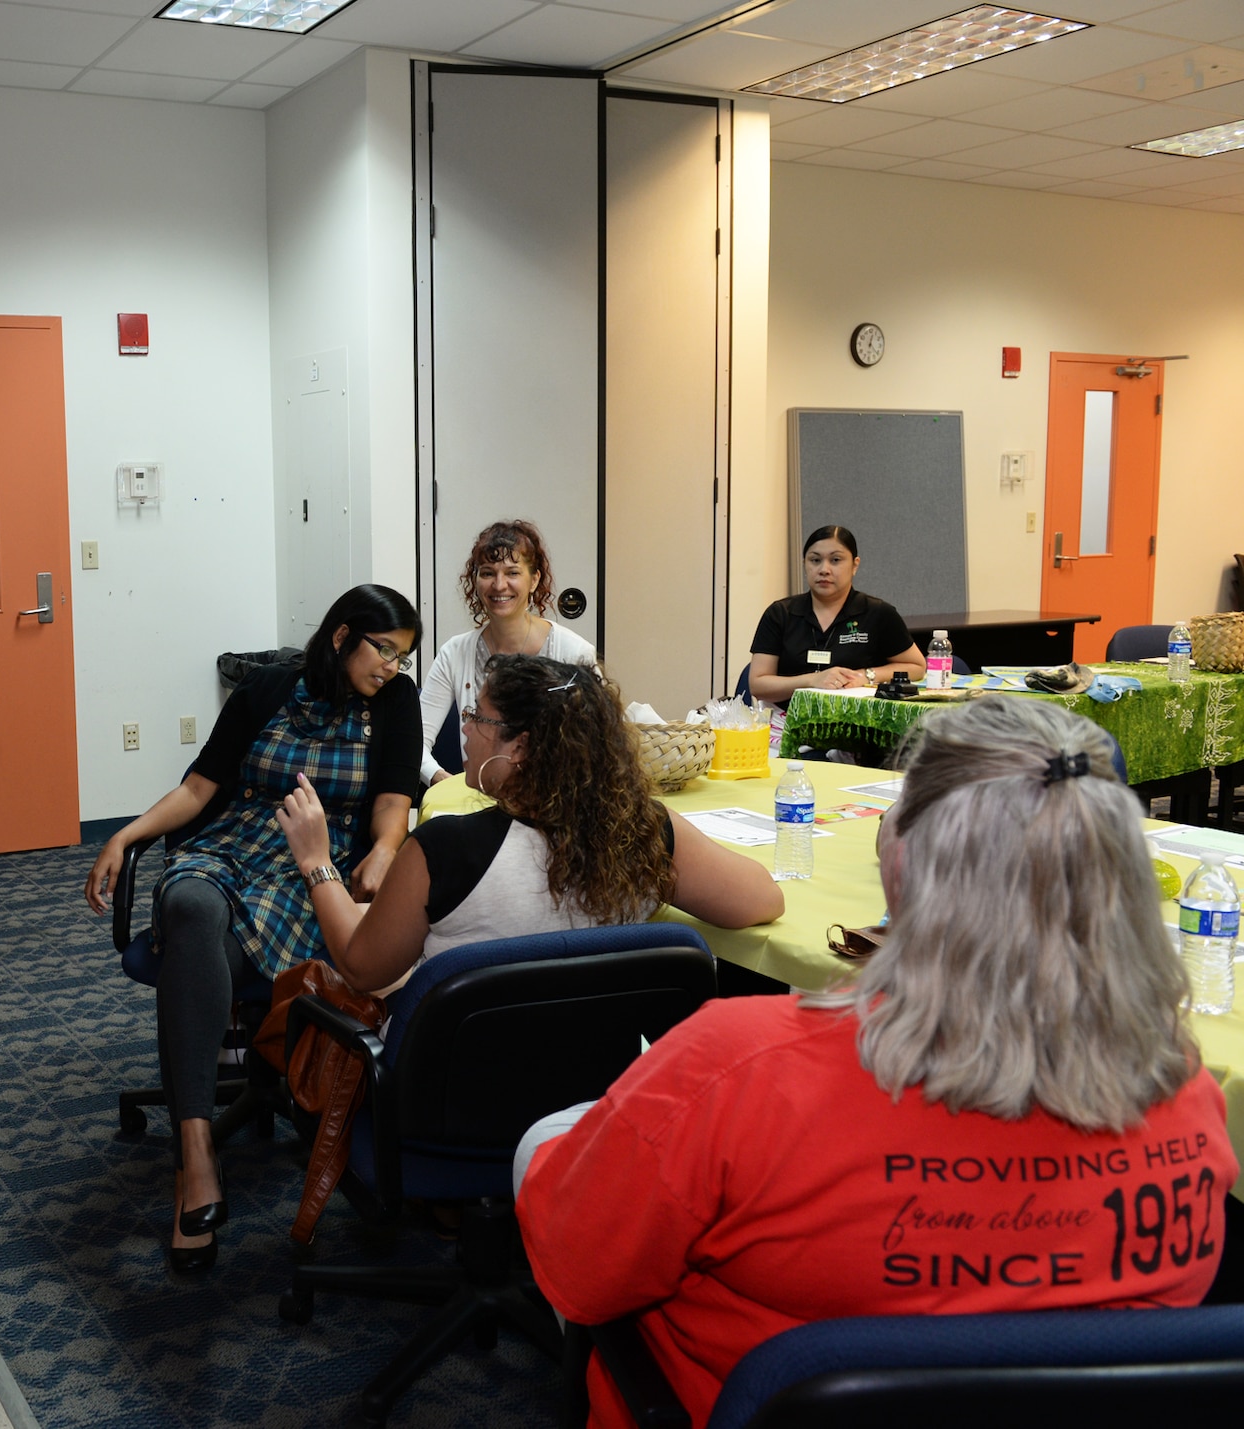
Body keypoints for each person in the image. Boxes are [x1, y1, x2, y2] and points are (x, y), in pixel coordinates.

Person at [515, 698, 1237, 1429]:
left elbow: (576, 1272)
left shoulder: (733, 1067)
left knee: (550, 1139)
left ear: (901, 860)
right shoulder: (1183, 1084)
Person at [83, 584, 423, 1272]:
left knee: (189, 954)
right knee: (188, 907)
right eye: (381, 649)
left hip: (313, 869)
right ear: (340, 637)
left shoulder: (393, 704)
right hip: (233, 849)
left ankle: (194, 1155)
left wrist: (385, 850)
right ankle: (199, 1151)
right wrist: (126, 835)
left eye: (402, 656)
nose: (391, 666)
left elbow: (393, 801)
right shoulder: (268, 689)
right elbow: (200, 788)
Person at [278, 655, 782, 999]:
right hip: (591, 1098)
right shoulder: (644, 833)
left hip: (453, 1106)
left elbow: (363, 968)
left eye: (478, 717)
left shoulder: (443, 848)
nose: (466, 730)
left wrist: (317, 862)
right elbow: (763, 900)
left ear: (517, 747)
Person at [421, 519, 595, 784]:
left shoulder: (574, 652)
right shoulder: (454, 654)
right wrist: (445, 783)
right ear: (476, 581)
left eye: (512, 573)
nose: (499, 585)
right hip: (477, 799)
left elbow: (597, 746)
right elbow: (414, 741)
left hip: (552, 804)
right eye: (488, 573)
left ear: (534, 580)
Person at [747, 524, 925, 705]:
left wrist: (866, 675)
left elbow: (917, 667)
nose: (824, 569)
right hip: (787, 722)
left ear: (855, 565)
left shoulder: (878, 613)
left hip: (858, 723)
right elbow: (758, 685)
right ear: (804, 564)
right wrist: (812, 680)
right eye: (815, 560)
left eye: (835, 560)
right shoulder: (780, 614)